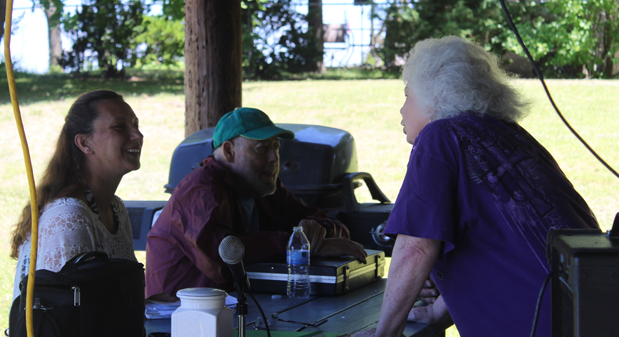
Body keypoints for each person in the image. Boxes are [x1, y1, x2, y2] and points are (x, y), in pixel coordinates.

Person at [356, 37, 599, 337]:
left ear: (434, 96)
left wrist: (385, 334)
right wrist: (435, 312)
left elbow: (415, 247)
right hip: (590, 311)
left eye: (408, 95)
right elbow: (498, 241)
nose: (402, 110)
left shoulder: (439, 136)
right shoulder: (508, 136)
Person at [145, 107, 367, 298]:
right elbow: (224, 259)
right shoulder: (200, 189)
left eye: (276, 147)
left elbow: (321, 222)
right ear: (229, 151)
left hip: (236, 311)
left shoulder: (262, 187)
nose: (274, 157)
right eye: (263, 148)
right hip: (179, 322)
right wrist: (300, 245)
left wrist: (318, 233)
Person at [10, 90, 143, 300]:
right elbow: (66, 319)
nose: (137, 135)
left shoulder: (115, 207)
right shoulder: (69, 218)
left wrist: (149, 306)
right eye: (119, 127)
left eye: (136, 125)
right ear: (84, 143)